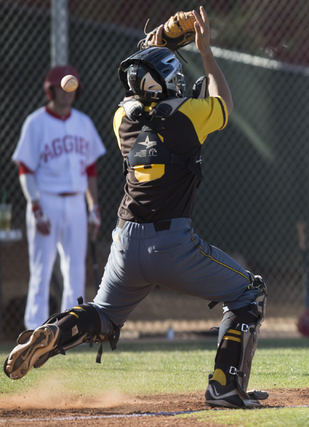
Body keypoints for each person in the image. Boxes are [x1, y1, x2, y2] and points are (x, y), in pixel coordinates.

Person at [4, 7, 268, 409]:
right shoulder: (189, 117)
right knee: (249, 292)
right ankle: (224, 388)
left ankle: (58, 331)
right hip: (173, 246)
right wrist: (205, 51)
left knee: (103, 314)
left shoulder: (121, 122)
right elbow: (224, 102)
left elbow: (140, 86)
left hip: (125, 244)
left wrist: (157, 44)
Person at [11, 65, 105, 331]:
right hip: (46, 200)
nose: (67, 93)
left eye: (71, 88)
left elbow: (90, 170)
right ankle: (34, 330)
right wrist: (35, 205)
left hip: (76, 201)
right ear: (50, 90)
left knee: (75, 269)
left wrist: (93, 207)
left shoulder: (83, 123)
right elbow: (25, 169)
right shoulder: (35, 122)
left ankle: (70, 329)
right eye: (62, 88)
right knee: (41, 269)